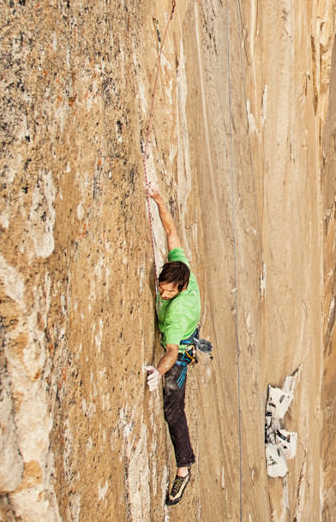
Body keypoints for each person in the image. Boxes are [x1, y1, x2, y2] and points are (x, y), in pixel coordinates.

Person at [142, 186, 202, 506]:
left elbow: (171, 353)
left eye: (167, 292)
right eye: (160, 290)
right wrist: (160, 201)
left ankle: (183, 468)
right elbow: (171, 231)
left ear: (179, 289)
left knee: (172, 407)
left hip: (181, 345)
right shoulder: (179, 265)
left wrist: (157, 372)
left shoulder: (176, 313)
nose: (162, 295)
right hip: (185, 333)